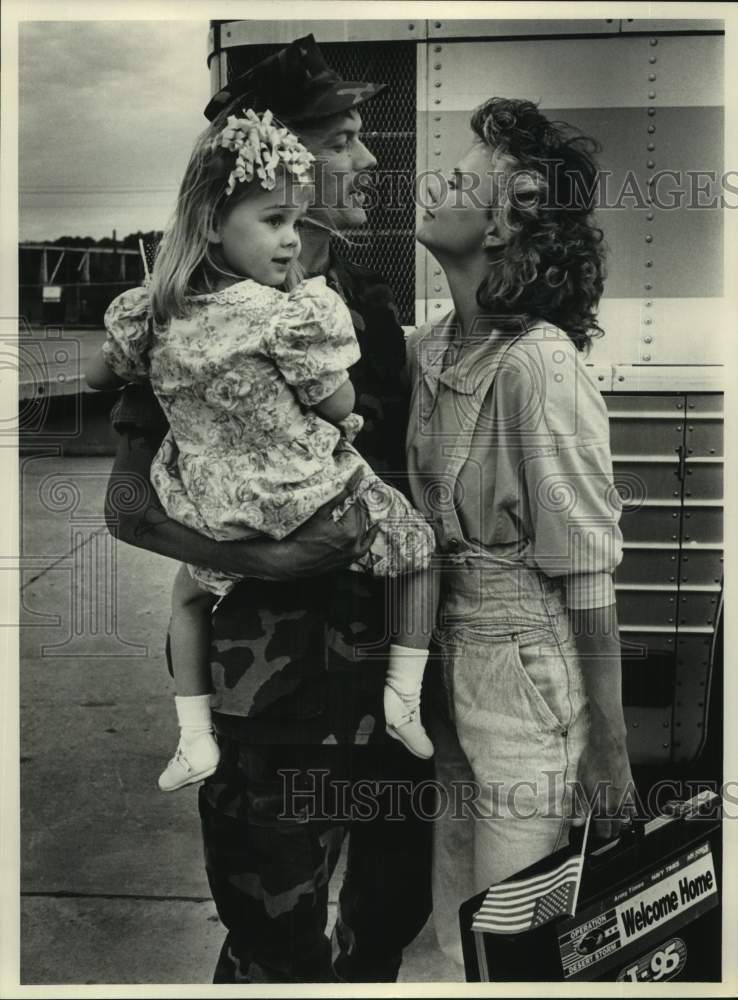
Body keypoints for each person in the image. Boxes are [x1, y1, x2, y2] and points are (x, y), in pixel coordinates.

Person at [103, 36, 435, 982]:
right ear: (270, 159)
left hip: (384, 688)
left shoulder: (359, 300)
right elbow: (129, 501)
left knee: (384, 922)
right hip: (273, 704)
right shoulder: (193, 315)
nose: (367, 160)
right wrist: (261, 560)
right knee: (275, 941)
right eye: (343, 139)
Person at [87, 109, 435, 790]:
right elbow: (337, 404)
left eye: (293, 224)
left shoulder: (152, 312)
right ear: (214, 222)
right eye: (276, 223)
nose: (289, 243)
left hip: (210, 508)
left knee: (188, 602)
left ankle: (194, 738)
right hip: (306, 497)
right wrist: (344, 407)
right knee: (418, 549)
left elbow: (106, 375)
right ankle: (405, 695)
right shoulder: (290, 311)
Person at [408, 97, 635, 966]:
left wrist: (610, 749)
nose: (438, 184)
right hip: (453, 673)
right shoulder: (433, 348)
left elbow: (585, 572)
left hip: (533, 681)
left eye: (461, 180)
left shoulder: (540, 364)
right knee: (460, 930)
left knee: (523, 942)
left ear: (504, 224)